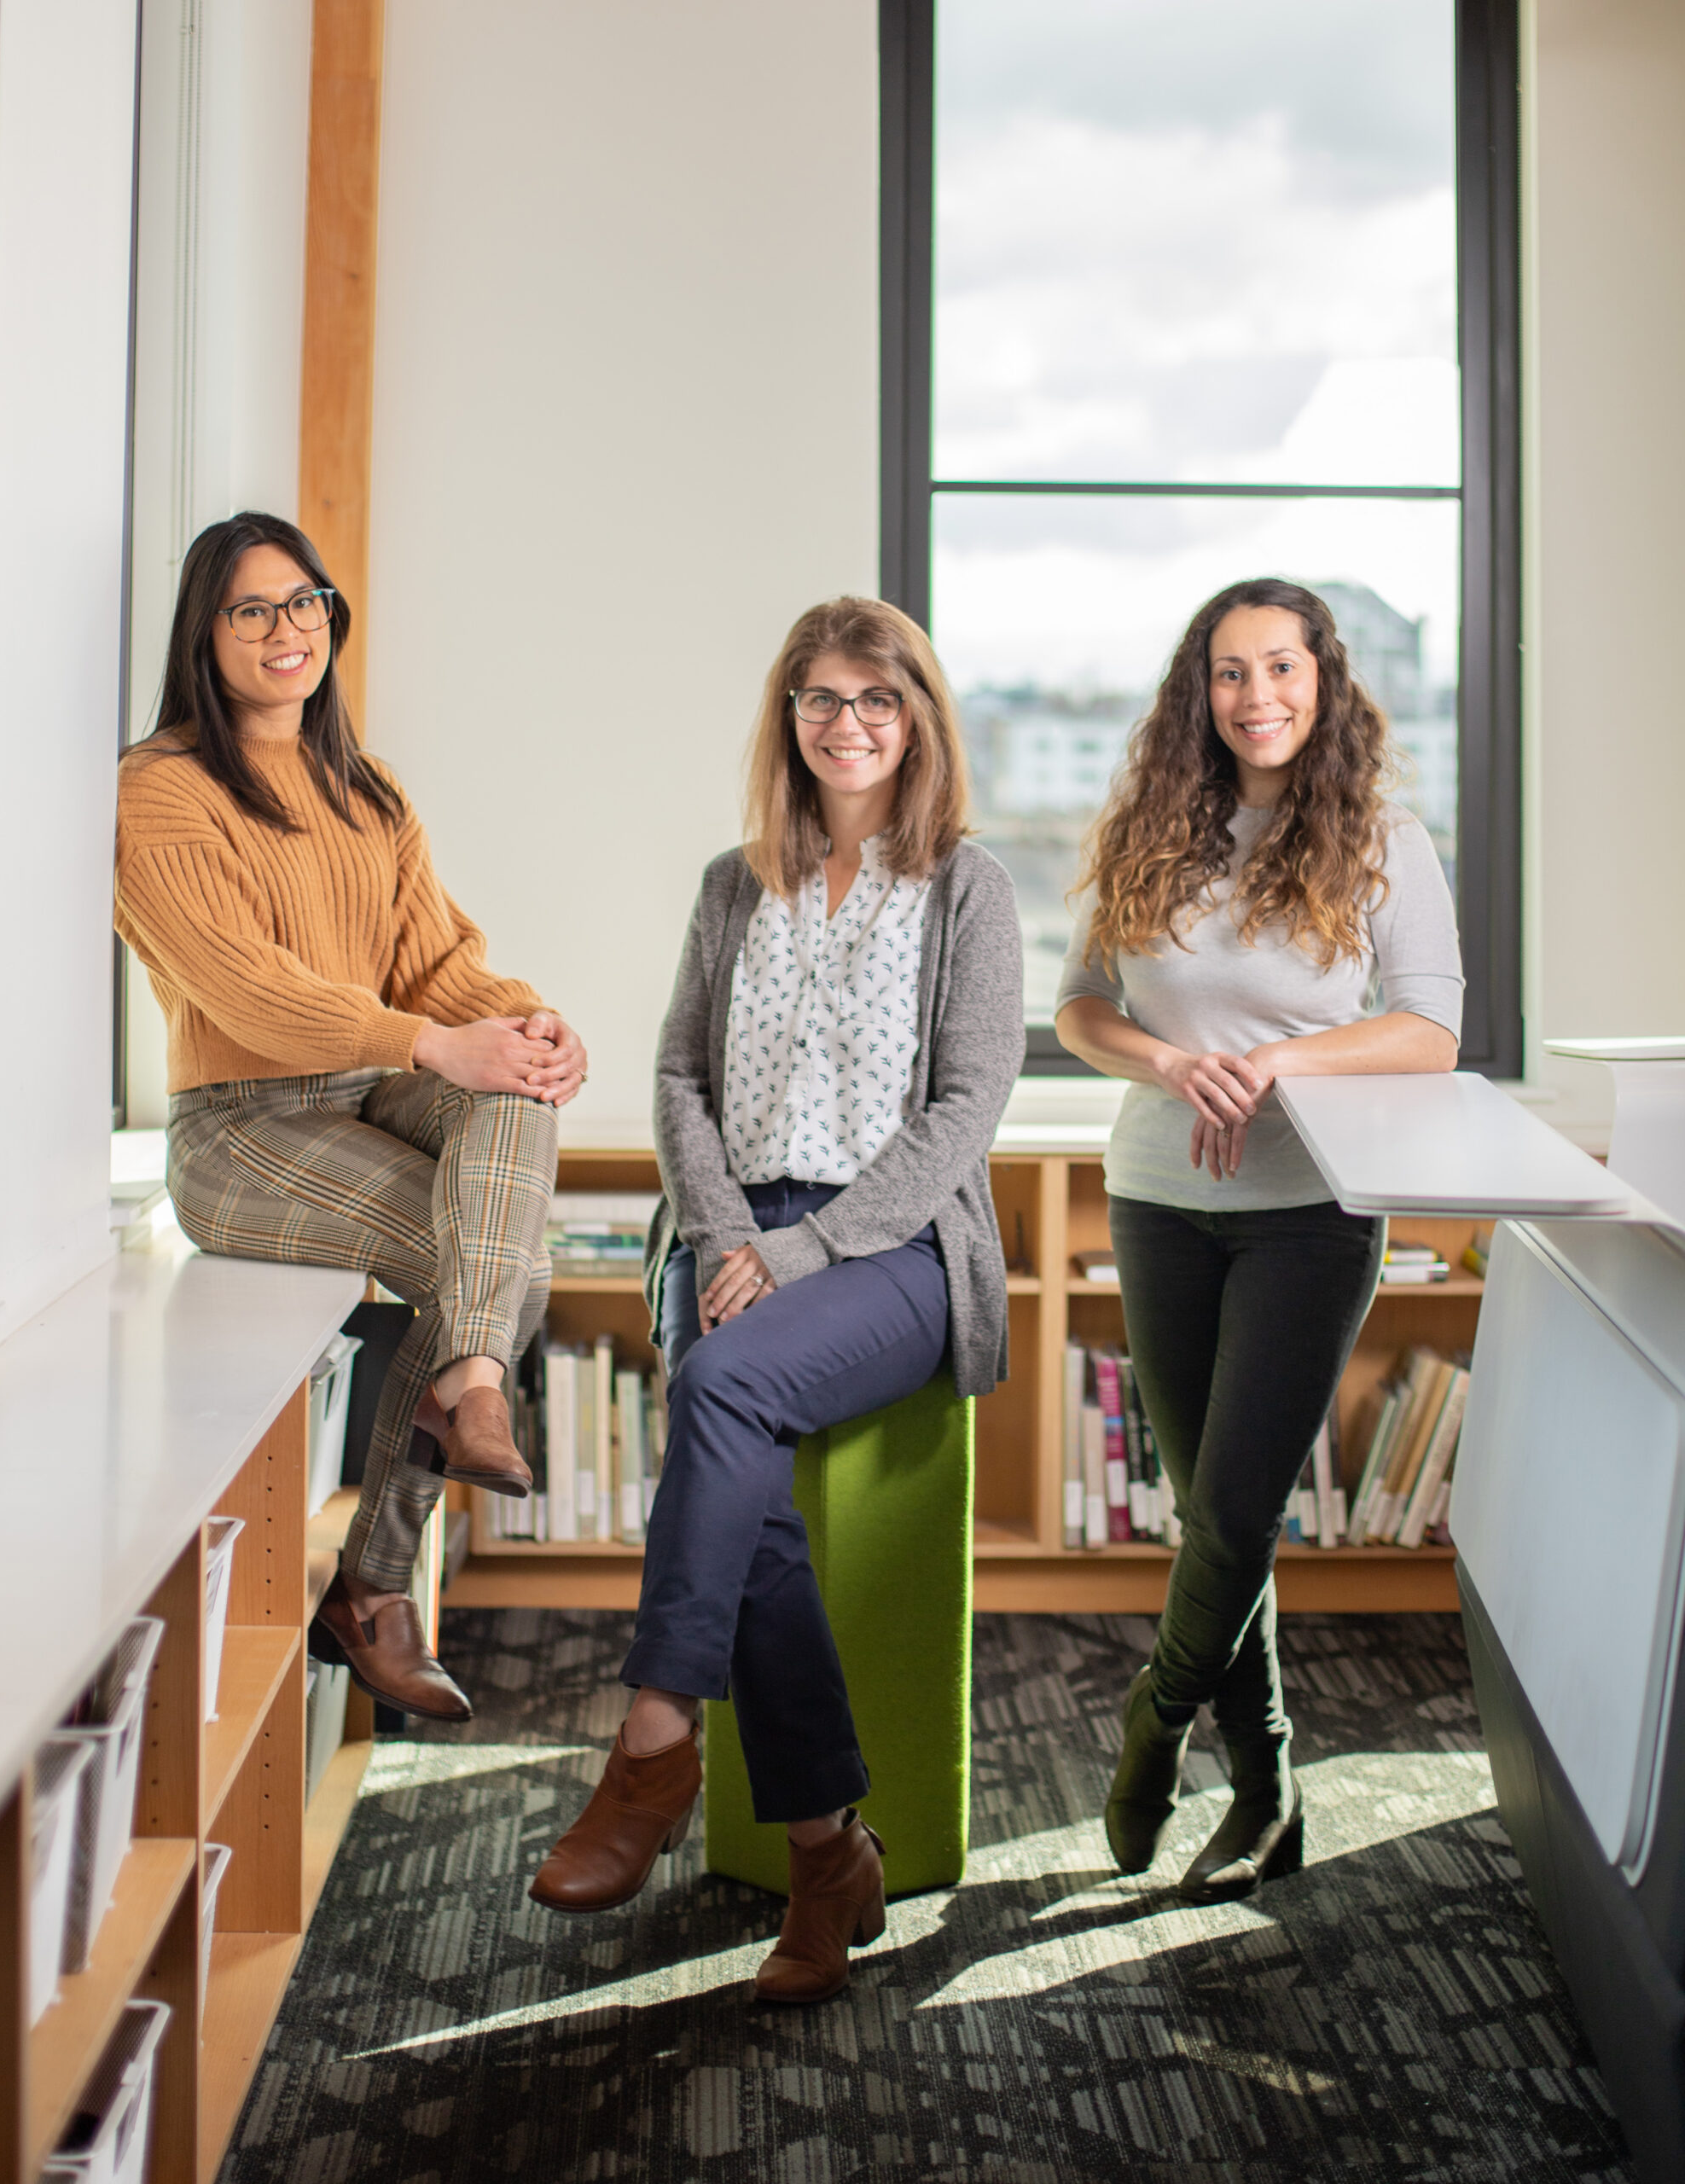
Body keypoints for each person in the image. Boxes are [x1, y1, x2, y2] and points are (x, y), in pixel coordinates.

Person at [529, 597, 1022, 2002]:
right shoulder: (732, 883)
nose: (849, 724)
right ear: (788, 717)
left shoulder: (967, 889)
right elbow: (679, 1078)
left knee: (720, 1387)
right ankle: (827, 1855)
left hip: (897, 1254)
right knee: (747, 1487)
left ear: (918, 715)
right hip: (736, 1230)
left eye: (878, 698)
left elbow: (969, 1107)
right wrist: (732, 1230)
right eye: (821, 699)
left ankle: (651, 1740)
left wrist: (803, 1254)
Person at [114, 512, 587, 1722]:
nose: (289, 629)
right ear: (204, 635)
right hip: (240, 1128)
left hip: (367, 1087)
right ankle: (381, 1581)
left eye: (306, 600)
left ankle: (456, 1400)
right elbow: (247, 991)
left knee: (515, 1103)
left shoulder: (365, 794)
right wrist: (431, 1042)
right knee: (491, 1259)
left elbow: (438, 963)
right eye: (253, 610)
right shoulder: (160, 790)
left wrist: (530, 1028)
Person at [1055, 577, 1462, 1903]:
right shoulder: (1151, 826)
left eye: (1281, 668)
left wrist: (1280, 1061)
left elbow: (1430, 1031)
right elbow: (1080, 1009)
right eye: (1230, 673)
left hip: (1314, 1213)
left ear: (1323, 680)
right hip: (1159, 1203)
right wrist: (1174, 1064)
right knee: (1213, 1518)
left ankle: (1154, 1727)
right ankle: (1271, 1781)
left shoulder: (1385, 836)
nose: (1257, 697)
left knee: (1232, 1508)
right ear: (1201, 692)